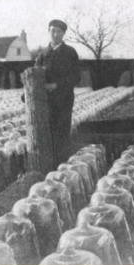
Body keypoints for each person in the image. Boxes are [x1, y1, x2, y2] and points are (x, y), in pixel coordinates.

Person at [23, 19, 81, 168]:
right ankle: (49, 168)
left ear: (63, 34)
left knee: (61, 133)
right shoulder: (43, 54)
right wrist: (27, 94)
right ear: (49, 32)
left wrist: (57, 85)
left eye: (59, 32)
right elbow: (34, 75)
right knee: (48, 133)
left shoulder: (70, 53)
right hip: (46, 101)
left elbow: (76, 77)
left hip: (63, 99)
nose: (55, 34)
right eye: (53, 31)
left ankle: (62, 168)